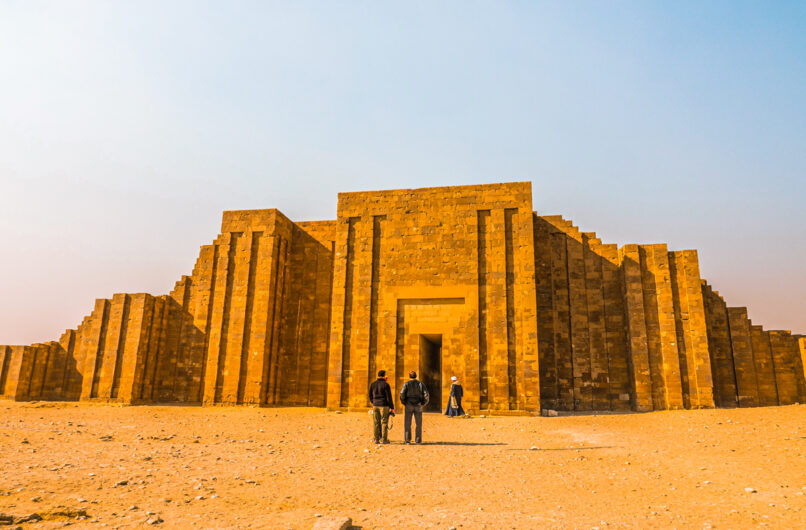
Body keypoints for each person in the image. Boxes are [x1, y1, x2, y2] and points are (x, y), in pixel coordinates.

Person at [399, 370, 429, 444]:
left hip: (409, 404)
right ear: (416, 376)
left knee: (407, 423)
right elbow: (426, 394)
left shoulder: (406, 384)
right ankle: (418, 440)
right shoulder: (420, 384)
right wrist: (423, 403)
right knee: (418, 423)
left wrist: (404, 402)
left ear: (409, 376)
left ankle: (407, 440)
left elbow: (402, 393)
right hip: (418, 404)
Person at [368, 369, 395, 444]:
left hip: (375, 405)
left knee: (376, 422)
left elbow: (369, 395)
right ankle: (384, 439)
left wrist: (373, 402)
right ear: (384, 376)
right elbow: (389, 397)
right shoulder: (386, 385)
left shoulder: (373, 384)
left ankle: (376, 439)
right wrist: (392, 407)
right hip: (384, 406)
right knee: (384, 422)